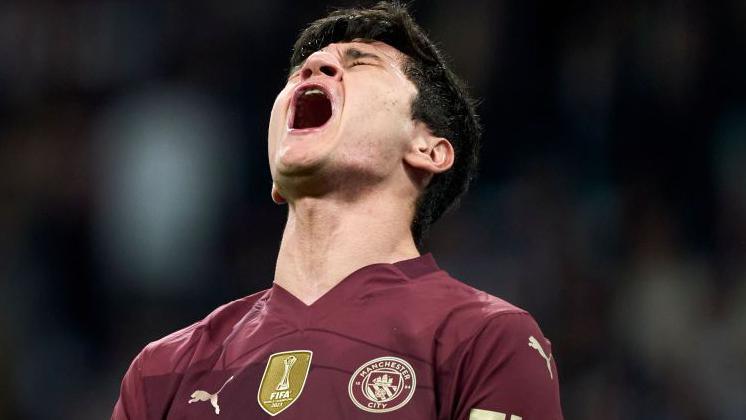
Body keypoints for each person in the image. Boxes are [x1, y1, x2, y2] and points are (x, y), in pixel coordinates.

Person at [112, 2, 563, 419]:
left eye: (360, 63)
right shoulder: (162, 373)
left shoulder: (484, 342)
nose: (313, 66)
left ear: (428, 149)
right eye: (298, 72)